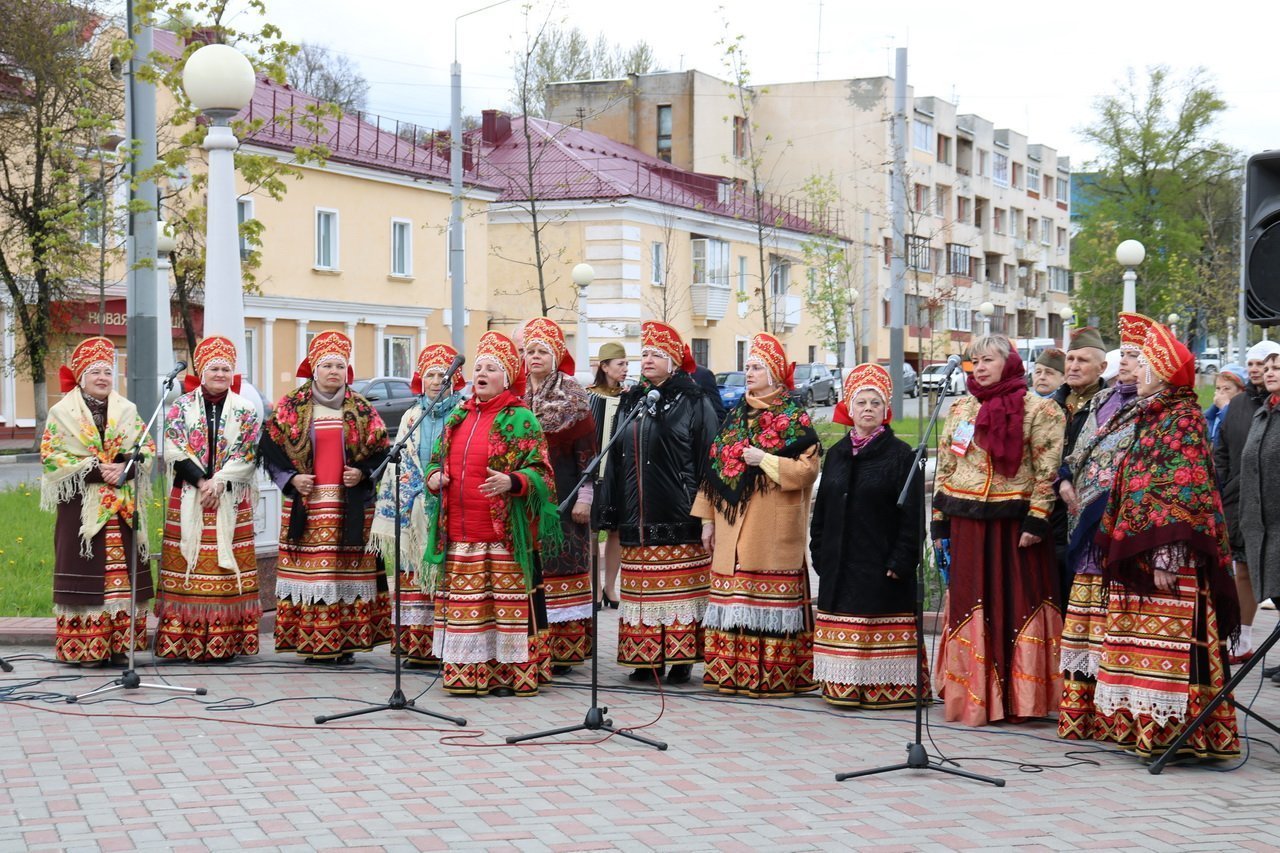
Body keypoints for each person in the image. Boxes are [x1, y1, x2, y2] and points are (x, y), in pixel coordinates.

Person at [1090, 320, 1239, 761]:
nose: (1137, 373)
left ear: (1165, 373)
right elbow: (1138, 486)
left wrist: (1166, 556)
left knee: (1175, 650)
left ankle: (1184, 734)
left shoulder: (1184, 420)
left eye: (1147, 366)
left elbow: (1182, 492)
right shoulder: (1154, 416)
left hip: (1169, 561)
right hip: (1143, 553)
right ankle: (1144, 729)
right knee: (1143, 646)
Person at [932, 334, 1065, 726]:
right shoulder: (960, 407)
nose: (981, 367)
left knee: (1017, 601)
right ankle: (975, 694)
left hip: (1015, 525)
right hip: (968, 520)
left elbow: (1047, 469)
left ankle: (1021, 697)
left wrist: (1037, 518)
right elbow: (946, 463)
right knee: (972, 602)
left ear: (1008, 364)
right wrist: (940, 517)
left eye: (988, 360)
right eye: (975, 361)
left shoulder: (1040, 410)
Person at [424, 331, 561, 697]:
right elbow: (436, 460)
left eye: (491, 368)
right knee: (471, 605)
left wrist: (513, 481)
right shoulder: (458, 417)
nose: (481, 373)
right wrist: (434, 477)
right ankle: (468, 673)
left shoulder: (521, 419)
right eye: (479, 367)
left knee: (505, 607)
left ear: (507, 376)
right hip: (460, 533)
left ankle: (509, 675)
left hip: (502, 536)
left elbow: (544, 474)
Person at [693, 332, 820, 697]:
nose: (748, 372)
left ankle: (770, 677)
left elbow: (807, 472)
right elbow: (713, 471)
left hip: (771, 528)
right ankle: (729, 674)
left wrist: (763, 459)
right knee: (733, 602)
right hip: (731, 529)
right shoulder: (735, 417)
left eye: (757, 367)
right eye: (747, 366)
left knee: (765, 604)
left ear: (776, 373)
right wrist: (706, 520)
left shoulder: (794, 418)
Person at [599, 321, 719, 684]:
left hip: (678, 511)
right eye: (645, 354)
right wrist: (613, 508)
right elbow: (616, 455)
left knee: (678, 588)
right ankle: (644, 657)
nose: (647, 360)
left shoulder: (695, 400)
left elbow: (707, 458)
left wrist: (703, 510)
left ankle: (681, 660)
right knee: (642, 590)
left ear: (673, 362)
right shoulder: (633, 400)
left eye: (656, 354)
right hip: (638, 512)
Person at [260, 331, 392, 663]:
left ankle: (345, 644)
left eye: (339, 365)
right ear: (313, 368)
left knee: (347, 573)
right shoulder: (292, 406)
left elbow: (381, 451)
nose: (333, 371)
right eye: (326, 365)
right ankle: (311, 643)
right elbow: (269, 447)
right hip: (308, 503)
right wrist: (292, 478)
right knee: (312, 576)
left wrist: (361, 472)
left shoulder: (361, 409)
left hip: (350, 507)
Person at [1056, 312, 1151, 740]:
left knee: (1115, 626)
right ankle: (1084, 714)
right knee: (1084, 625)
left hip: (1121, 532)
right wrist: (1063, 480)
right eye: (1124, 355)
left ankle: (1117, 717)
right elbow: (1078, 452)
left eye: (1136, 356)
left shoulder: (1150, 409)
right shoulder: (1102, 401)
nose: (1127, 363)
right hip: (1084, 525)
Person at [809, 363, 925, 708]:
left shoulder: (901, 456)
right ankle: (841, 687)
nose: (868, 409)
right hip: (839, 564)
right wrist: (819, 552)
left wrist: (902, 559)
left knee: (874, 618)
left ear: (886, 410)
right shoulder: (837, 455)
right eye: (861, 403)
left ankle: (882, 690)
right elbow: (823, 510)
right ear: (849, 408)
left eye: (875, 403)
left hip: (880, 564)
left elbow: (913, 518)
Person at [41, 337, 155, 667]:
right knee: (89, 571)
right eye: (95, 372)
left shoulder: (127, 410)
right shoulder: (61, 412)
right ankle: (87, 648)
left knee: (122, 576)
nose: (103, 378)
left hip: (122, 505)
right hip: (81, 505)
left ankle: (121, 647)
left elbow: (145, 449)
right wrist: (93, 470)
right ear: (80, 377)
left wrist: (124, 467)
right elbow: (51, 457)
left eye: (107, 371)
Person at [155, 336, 262, 662]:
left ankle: (225, 643)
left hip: (229, 495)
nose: (220, 373)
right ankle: (182, 641)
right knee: (189, 564)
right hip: (191, 493)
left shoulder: (245, 409)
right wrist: (202, 482)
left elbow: (248, 452)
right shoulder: (180, 406)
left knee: (222, 569)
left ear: (233, 373)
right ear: (201, 370)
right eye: (214, 368)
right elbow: (174, 447)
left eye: (226, 368)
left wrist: (219, 483)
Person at [368, 342, 464, 667]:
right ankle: (419, 646)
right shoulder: (411, 415)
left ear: (455, 378)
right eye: (431, 375)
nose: (438, 380)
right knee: (414, 574)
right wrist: (415, 494)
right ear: (421, 380)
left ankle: (450, 645)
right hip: (416, 505)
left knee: (448, 575)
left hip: (450, 504)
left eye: (443, 374)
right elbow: (401, 462)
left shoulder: (462, 413)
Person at [521, 318, 597, 674]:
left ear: (557, 356)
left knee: (563, 563)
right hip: (524, 497)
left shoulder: (573, 394)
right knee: (533, 565)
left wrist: (586, 495)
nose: (533, 357)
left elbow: (588, 453)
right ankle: (533, 640)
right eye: (528, 351)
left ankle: (566, 648)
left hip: (565, 495)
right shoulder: (516, 393)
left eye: (541, 351)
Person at [1213, 339, 1280, 665]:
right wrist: (1226, 488)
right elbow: (1223, 452)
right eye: (1258, 365)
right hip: (1244, 506)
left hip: (1274, 512)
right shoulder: (1246, 408)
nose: (1263, 371)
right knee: (1245, 573)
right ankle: (1242, 639)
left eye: (1272, 366)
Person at [1240, 352, 1280, 648]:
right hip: (1261, 522)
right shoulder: (1263, 411)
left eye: (1276, 367)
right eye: (1266, 368)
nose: (1268, 373)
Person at [587, 341, 627, 609]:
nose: (625, 369)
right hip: (592, 471)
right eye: (620, 364)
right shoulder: (588, 396)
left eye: (626, 364)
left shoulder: (629, 397)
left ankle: (610, 587)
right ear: (604, 366)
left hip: (619, 472)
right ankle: (592, 588)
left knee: (615, 532)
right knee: (591, 531)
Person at [1205, 364, 1247, 448]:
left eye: (1227, 389)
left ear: (1241, 391)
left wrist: (1225, 409)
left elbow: (1236, 433)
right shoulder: (1211, 414)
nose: (1221, 393)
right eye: (1218, 388)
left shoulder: (1245, 412)